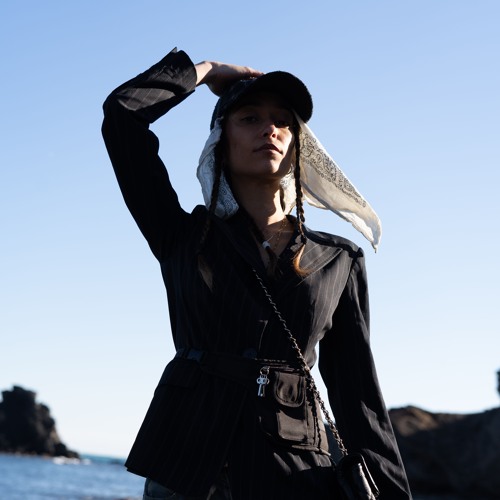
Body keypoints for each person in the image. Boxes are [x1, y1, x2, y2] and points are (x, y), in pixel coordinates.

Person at [101, 47, 412, 500]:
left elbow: (358, 394)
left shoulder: (339, 259)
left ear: (298, 145)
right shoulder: (184, 236)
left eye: (283, 121)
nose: (270, 129)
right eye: (249, 118)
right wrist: (204, 71)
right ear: (219, 142)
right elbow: (122, 116)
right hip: (186, 467)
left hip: (295, 476)